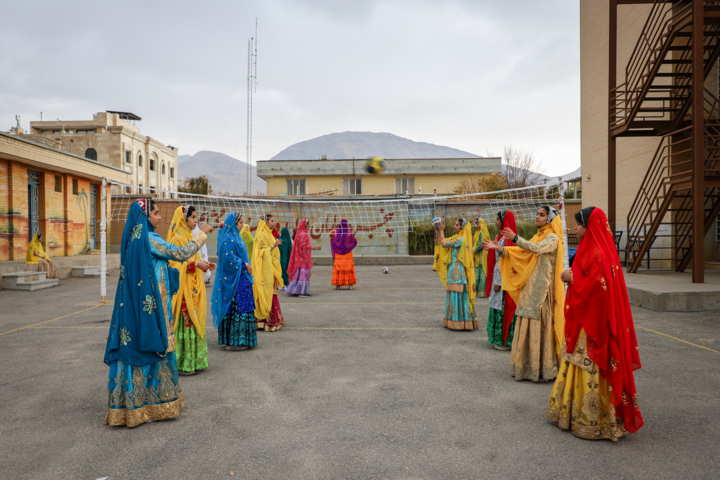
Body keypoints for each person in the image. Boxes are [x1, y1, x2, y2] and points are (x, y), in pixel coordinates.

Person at [104, 199, 212, 427]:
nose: (159, 218)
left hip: (134, 308)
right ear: (145, 217)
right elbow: (181, 253)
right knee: (156, 346)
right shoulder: (149, 240)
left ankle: (133, 406)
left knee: (134, 349)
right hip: (152, 308)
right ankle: (154, 404)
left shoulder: (133, 240)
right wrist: (201, 234)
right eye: (154, 213)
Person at [546, 207, 644, 440]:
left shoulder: (597, 252)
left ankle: (594, 420)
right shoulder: (590, 248)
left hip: (593, 326)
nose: (575, 228)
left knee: (587, 366)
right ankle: (575, 415)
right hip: (586, 319)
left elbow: (596, 290)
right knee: (577, 364)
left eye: (578, 224)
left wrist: (572, 279)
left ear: (588, 226)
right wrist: (575, 278)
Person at [484, 206, 565, 382]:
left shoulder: (552, 238)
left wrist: (515, 238)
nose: (537, 217)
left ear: (550, 219)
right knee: (526, 325)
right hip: (530, 287)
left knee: (540, 327)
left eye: (541, 215)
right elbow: (523, 252)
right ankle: (526, 367)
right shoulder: (538, 235)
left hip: (542, 290)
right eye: (537, 214)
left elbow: (534, 248)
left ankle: (542, 369)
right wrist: (501, 249)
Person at [167, 206, 216, 376]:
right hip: (183, 292)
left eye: (196, 217)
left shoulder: (189, 236)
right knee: (186, 323)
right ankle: (182, 363)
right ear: (183, 219)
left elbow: (193, 258)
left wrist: (204, 265)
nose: (196, 221)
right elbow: (174, 264)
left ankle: (194, 361)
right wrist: (195, 265)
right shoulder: (177, 239)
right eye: (193, 217)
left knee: (195, 323)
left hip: (193, 287)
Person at [212, 212, 257, 350]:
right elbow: (228, 260)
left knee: (244, 307)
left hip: (242, 278)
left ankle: (242, 339)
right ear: (233, 224)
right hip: (234, 282)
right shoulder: (227, 239)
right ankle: (235, 341)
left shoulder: (236, 237)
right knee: (237, 308)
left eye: (242, 222)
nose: (242, 225)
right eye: (240, 223)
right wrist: (245, 265)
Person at [435, 218, 477, 331]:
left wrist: (442, 230)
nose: (454, 226)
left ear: (462, 228)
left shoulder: (461, 239)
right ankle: (459, 321)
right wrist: (438, 231)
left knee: (457, 296)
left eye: (457, 225)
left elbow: (444, 244)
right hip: (455, 271)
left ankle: (458, 322)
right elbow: (440, 242)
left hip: (457, 273)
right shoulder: (459, 238)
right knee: (458, 296)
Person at [485, 211, 518, 351]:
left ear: (504, 221)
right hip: (499, 276)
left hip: (502, 279)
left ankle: (503, 340)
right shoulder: (503, 238)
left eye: (497, 219)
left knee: (502, 307)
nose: (495, 222)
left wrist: (498, 282)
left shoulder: (506, 239)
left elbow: (504, 263)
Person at [252, 214, 285, 331]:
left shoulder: (269, 234)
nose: (273, 222)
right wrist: (273, 246)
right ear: (265, 222)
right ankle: (267, 321)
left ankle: (271, 319)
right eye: (271, 221)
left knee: (272, 291)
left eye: (274, 220)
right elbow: (258, 253)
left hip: (271, 268)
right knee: (267, 292)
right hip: (265, 270)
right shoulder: (263, 235)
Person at [286, 219, 321, 297]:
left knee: (299, 275)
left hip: (300, 258)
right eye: (308, 224)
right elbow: (303, 247)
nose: (309, 225)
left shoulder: (303, 233)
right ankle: (302, 292)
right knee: (303, 275)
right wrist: (314, 247)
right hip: (302, 258)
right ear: (304, 225)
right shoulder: (302, 234)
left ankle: (296, 290)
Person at [331, 219, 357, 290]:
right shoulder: (349, 233)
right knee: (349, 268)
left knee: (338, 268)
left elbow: (334, 242)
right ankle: (350, 284)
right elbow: (354, 241)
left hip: (339, 254)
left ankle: (338, 285)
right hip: (347, 253)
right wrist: (348, 247)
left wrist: (337, 248)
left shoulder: (337, 233)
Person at [472, 217, 490, 298]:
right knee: (477, 274)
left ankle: (482, 293)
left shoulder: (482, 233)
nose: (474, 224)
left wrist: (473, 251)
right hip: (478, 257)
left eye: (476, 223)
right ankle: (477, 292)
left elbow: (481, 244)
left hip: (482, 257)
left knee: (482, 274)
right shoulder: (477, 232)